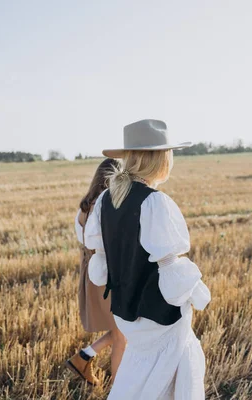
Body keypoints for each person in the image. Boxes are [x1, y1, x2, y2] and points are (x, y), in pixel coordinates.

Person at [84, 119, 211, 399]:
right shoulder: (154, 202)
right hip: (158, 315)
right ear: (160, 159)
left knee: (139, 374)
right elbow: (170, 266)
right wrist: (198, 289)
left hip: (126, 311)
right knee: (173, 378)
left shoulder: (106, 199)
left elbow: (102, 260)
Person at [66, 158, 126, 386]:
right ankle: (119, 389)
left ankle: (83, 358)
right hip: (105, 274)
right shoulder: (105, 205)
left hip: (91, 273)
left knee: (122, 329)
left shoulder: (84, 207)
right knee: (122, 333)